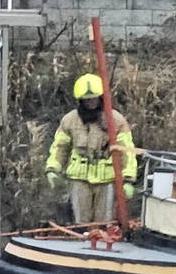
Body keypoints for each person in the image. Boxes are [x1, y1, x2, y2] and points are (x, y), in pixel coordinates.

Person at [45, 74, 138, 224]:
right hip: (79, 179)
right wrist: (52, 169)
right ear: (81, 100)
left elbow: (126, 152)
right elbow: (60, 147)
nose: (91, 102)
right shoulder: (70, 120)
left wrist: (128, 180)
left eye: (94, 98)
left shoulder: (116, 120)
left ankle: (101, 243)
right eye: (87, 99)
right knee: (81, 221)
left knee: (104, 222)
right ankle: (81, 244)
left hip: (107, 179)